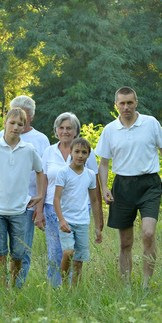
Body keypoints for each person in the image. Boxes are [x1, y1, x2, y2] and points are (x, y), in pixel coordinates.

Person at [95, 86, 162, 288]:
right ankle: (126, 287)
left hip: (149, 184)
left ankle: (146, 285)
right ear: (116, 105)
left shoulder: (150, 123)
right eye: (122, 103)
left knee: (148, 233)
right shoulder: (109, 130)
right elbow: (104, 163)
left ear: (136, 103)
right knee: (125, 242)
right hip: (122, 186)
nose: (126, 107)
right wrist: (105, 187)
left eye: (130, 103)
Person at [0, 107, 47, 287]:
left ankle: (13, 285)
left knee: (19, 253)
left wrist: (38, 195)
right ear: (5, 123)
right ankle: (1, 288)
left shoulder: (28, 149)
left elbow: (40, 170)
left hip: (20, 209)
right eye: (12, 123)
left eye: (20, 124)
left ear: (24, 126)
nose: (15, 127)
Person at [36, 112, 103, 288]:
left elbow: (94, 188)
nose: (65, 131)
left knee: (74, 253)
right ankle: (55, 289)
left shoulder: (86, 153)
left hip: (79, 209)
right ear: (56, 131)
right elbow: (43, 182)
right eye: (61, 128)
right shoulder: (49, 152)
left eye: (69, 128)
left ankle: (72, 289)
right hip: (52, 208)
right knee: (55, 252)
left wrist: (99, 220)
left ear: (76, 131)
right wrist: (39, 211)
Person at [0, 95, 49, 286]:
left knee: (22, 249)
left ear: (31, 117)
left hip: (28, 203)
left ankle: (18, 287)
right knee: (0, 248)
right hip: (1, 202)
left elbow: (44, 174)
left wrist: (40, 208)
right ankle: (2, 287)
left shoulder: (40, 140)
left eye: (22, 117)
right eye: (13, 116)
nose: (17, 123)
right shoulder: (1, 136)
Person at [53, 137, 103, 286]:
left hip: (83, 221)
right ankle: (64, 285)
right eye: (77, 152)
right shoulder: (63, 173)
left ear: (88, 155)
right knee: (68, 253)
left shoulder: (89, 175)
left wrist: (97, 225)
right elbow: (56, 198)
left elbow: (94, 200)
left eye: (84, 152)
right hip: (67, 220)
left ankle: (75, 291)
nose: (80, 155)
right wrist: (61, 220)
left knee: (79, 260)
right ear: (71, 153)